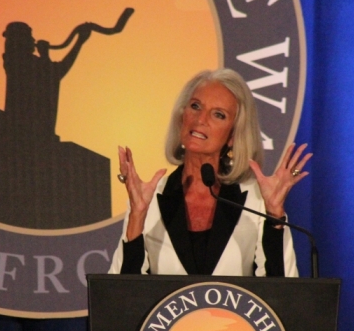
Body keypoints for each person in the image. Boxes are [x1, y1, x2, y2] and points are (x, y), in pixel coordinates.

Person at [108, 68, 311, 276]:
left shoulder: (257, 199)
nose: (201, 119)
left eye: (218, 115)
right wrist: (137, 216)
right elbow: (121, 296)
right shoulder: (148, 199)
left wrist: (274, 217)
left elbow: (283, 294)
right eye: (195, 106)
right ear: (182, 117)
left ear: (233, 135)